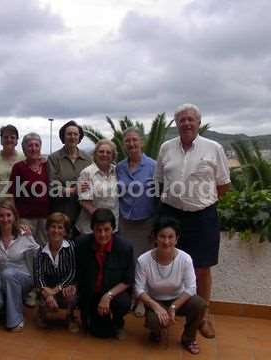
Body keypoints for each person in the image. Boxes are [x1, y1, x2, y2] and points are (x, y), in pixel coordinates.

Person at [155, 103, 230, 338]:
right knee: (167, 263)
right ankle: (167, 311)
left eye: (191, 119)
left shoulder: (214, 148)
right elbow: (158, 181)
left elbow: (224, 185)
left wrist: (200, 201)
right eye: (182, 120)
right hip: (171, 214)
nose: (186, 123)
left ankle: (202, 317)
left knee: (202, 268)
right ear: (176, 123)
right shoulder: (166, 148)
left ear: (198, 122)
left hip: (203, 217)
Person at [135, 217, 206, 355]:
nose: (166, 241)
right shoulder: (143, 260)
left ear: (177, 238)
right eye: (162, 236)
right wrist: (155, 306)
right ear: (155, 237)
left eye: (170, 237)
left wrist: (174, 306)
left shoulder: (185, 259)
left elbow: (191, 288)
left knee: (199, 304)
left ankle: (189, 339)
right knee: (154, 321)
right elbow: (138, 289)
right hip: (155, 300)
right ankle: (155, 332)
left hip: (179, 299)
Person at [116, 127, 157, 316]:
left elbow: (159, 197)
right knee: (130, 262)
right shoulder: (120, 167)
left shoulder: (153, 166)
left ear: (141, 141)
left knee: (145, 263)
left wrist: (156, 226)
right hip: (125, 222)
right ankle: (132, 295)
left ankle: (142, 299)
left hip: (146, 223)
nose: (131, 144)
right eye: (127, 141)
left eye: (134, 140)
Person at [0, 200, 40, 331]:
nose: (5, 219)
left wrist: (30, 237)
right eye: (1, 215)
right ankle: (9, 302)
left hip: (22, 278)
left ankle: (15, 321)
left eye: (8, 215)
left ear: (14, 217)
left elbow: (38, 254)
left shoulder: (23, 233)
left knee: (8, 274)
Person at [75, 208, 134, 339]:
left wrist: (108, 295)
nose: (102, 234)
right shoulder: (81, 244)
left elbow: (128, 280)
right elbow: (76, 270)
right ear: (92, 229)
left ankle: (118, 323)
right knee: (97, 332)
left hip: (113, 294)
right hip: (90, 293)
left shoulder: (125, 247)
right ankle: (87, 315)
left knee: (123, 303)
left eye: (106, 229)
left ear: (113, 229)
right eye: (98, 230)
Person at [34, 212, 79, 332]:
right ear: (47, 229)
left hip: (65, 287)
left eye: (60, 227)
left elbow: (73, 272)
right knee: (41, 295)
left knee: (71, 294)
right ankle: (42, 314)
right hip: (47, 288)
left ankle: (70, 317)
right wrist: (47, 293)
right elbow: (38, 276)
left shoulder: (71, 247)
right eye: (53, 226)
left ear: (65, 232)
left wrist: (58, 289)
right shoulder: (40, 251)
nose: (56, 230)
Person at [47, 121, 92, 235]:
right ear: (63, 137)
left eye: (75, 134)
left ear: (79, 137)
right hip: (61, 215)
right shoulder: (54, 158)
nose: (72, 137)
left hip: (83, 216)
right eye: (69, 134)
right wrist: (73, 190)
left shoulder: (87, 159)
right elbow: (52, 188)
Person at [8, 132, 49, 246]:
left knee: (45, 248)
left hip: (45, 217)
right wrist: (16, 218)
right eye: (30, 145)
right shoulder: (19, 167)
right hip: (25, 218)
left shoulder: (47, 165)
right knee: (26, 249)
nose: (33, 148)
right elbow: (11, 194)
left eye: (37, 145)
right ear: (24, 149)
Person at [75, 139, 119, 235]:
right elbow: (84, 202)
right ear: (95, 154)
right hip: (91, 227)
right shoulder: (87, 173)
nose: (105, 154)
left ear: (113, 156)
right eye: (101, 151)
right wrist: (102, 219)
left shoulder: (117, 171)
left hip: (112, 227)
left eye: (108, 152)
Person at [0, 125, 24, 224]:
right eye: (5, 137)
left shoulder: (24, 158)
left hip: (17, 207)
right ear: (1, 140)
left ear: (17, 140)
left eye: (12, 137)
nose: (9, 140)